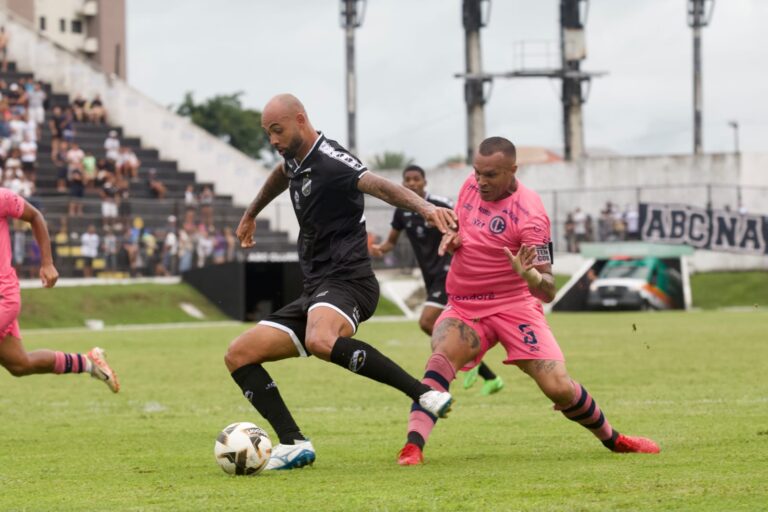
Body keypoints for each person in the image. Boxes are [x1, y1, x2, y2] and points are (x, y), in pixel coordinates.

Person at [227, 93, 458, 471]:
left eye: (277, 130)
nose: (272, 141)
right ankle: (294, 443)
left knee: (321, 340)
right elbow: (280, 175)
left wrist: (426, 208)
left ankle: (423, 393)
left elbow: (381, 185)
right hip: (315, 290)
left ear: (300, 119)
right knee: (239, 355)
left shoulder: (333, 161)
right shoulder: (293, 160)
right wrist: (251, 213)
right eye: (268, 133)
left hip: (350, 281)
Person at [396, 136, 660, 466]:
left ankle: (614, 439)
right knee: (440, 359)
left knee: (559, 387)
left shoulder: (530, 215)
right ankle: (413, 448)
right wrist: (455, 235)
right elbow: (468, 228)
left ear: (513, 170)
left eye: (490, 175)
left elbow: (548, 289)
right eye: (477, 172)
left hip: (514, 306)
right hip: (465, 304)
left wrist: (532, 277)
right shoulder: (470, 186)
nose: (480, 181)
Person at [371, 164, 504, 395]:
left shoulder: (439, 204)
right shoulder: (402, 210)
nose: (412, 183)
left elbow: (465, 226)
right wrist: (381, 249)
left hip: (449, 270)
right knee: (450, 324)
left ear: (425, 182)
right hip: (430, 275)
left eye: (416, 179)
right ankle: (488, 375)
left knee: (427, 322)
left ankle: (469, 358)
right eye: (407, 180)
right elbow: (392, 240)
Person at [0, 188, 119, 392]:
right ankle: (89, 363)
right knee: (20, 364)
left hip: (3, 295)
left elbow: (35, 216)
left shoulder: (2, 197)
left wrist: (47, 263)